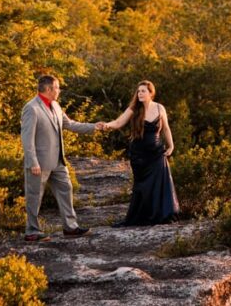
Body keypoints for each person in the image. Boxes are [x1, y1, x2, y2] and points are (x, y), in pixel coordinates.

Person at [21, 73, 107, 241]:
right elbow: (27, 138)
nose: (59, 90)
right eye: (57, 87)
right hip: (39, 163)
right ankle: (32, 231)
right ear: (48, 89)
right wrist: (33, 162)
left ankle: (70, 228)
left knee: (66, 190)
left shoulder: (56, 106)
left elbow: (70, 124)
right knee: (34, 196)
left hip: (58, 162)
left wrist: (93, 127)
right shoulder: (31, 108)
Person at [100, 80, 179, 225]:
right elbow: (118, 123)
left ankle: (160, 215)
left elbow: (166, 128)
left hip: (156, 152)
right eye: (138, 91)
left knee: (158, 184)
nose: (140, 93)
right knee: (142, 186)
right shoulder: (134, 109)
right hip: (139, 155)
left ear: (151, 93)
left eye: (143, 91)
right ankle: (142, 217)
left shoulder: (160, 108)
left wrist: (171, 146)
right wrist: (106, 125)